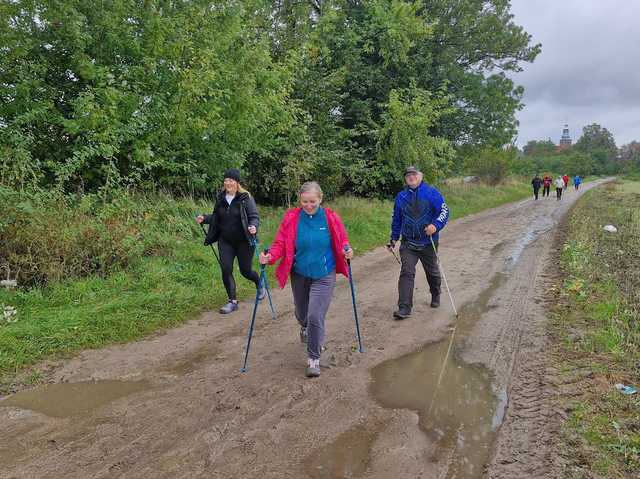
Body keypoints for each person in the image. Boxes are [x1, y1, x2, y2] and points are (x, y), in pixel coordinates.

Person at [259, 181, 353, 378]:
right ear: (299, 201)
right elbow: (280, 244)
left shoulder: (330, 217)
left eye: (312, 201)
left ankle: (313, 358)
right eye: (305, 202)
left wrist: (347, 250)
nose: (309, 205)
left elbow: (342, 239)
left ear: (320, 199)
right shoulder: (292, 218)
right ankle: (304, 327)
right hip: (300, 273)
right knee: (303, 314)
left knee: (315, 315)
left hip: (324, 273)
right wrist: (270, 257)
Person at [196, 169, 264, 314]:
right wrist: (204, 218)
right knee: (226, 269)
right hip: (225, 241)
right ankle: (232, 301)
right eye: (226, 180)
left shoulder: (246, 198)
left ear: (237, 182)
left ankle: (259, 284)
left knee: (246, 271)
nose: (228, 183)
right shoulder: (220, 198)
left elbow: (254, 217)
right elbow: (216, 217)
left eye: (231, 180)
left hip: (244, 241)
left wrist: (253, 227)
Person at [387, 166, 449, 320]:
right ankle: (404, 308)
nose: (411, 177)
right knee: (407, 272)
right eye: (408, 175)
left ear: (421, 175)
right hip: (408, 242)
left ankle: (436, 293)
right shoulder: (401, 197)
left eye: (414, 174)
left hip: (428, 242)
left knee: (432, 271)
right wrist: (394, 238)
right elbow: (397, 219)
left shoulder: (432, 193)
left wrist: (435, 226)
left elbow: (444, 211)